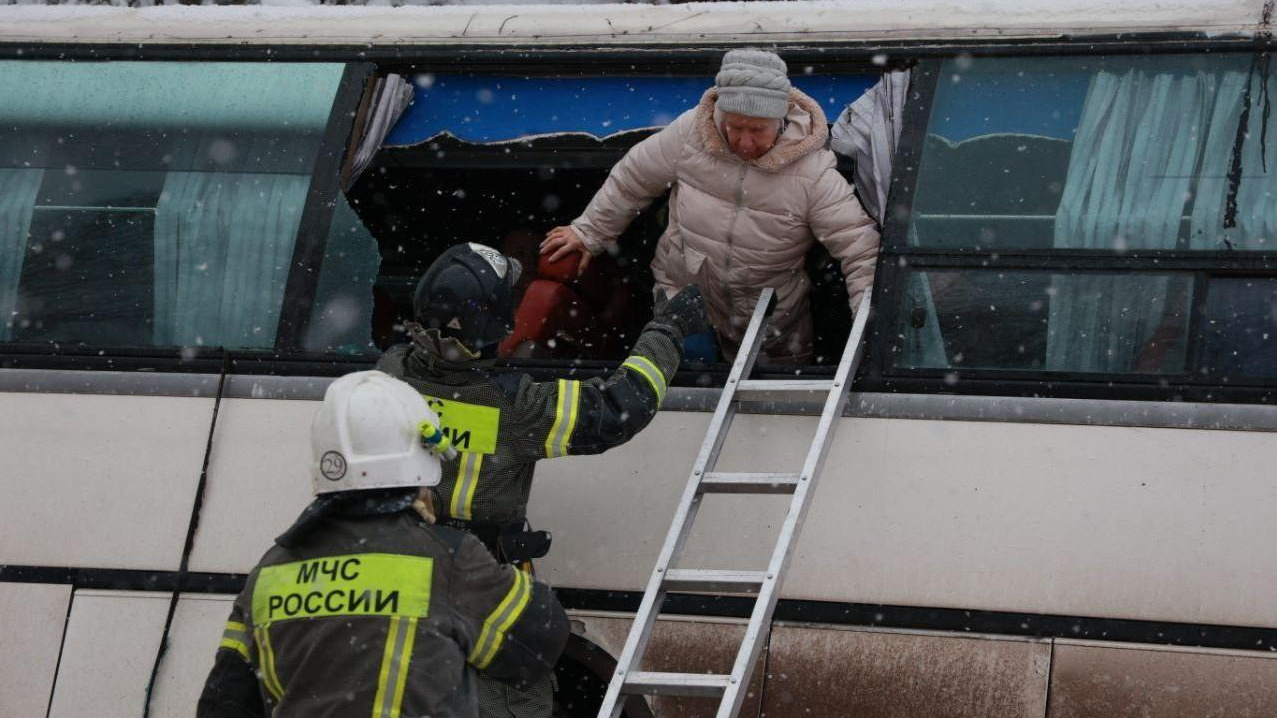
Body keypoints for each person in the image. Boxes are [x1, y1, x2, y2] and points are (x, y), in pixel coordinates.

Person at [376, 242, 708, 718]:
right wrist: (668, 330)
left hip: (398, 596)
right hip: (486, 606)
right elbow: (622, 405)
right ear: (495, 323)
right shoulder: (514, 408)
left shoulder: (389, 375)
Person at [196, 370, 569, 718]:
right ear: (422, 462)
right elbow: (538, 644)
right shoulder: (447, 559)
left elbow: (223, 703)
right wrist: (517, 578)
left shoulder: (270, 571)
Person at [542, 48, 880, 365]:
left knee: (770, 413)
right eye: (735, 128)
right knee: (681, 383)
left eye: (757, 130)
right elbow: (633, 179)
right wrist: (589, 231)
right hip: (685, 294)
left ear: (780, 119)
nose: (745, 142)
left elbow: (860, 249)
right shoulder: (691, 133)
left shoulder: (813, 173)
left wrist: (871, 330)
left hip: (770, 315)